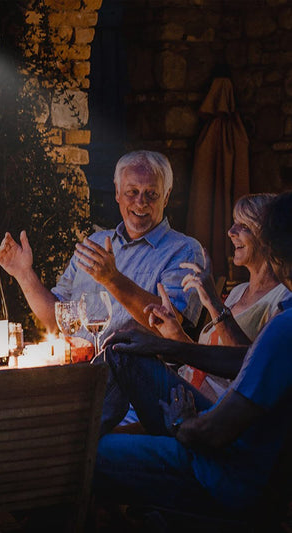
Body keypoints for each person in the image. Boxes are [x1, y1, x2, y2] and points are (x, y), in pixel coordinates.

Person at [93, 191, 292, 519]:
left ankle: (60, 452)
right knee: (123, 348)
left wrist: (181, 422)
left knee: (81, 455)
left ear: (274, 250)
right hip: (217, 438)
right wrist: (165, 345)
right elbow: (248, 360)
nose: (232, 233)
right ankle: (72, 439)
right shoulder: (277, 320)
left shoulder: (283, 325)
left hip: (221, 474)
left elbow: (211, 433)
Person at [0, 150, 204, 346]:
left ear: (166, 197)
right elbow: (55, 320)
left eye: (151, 194)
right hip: (79, 367)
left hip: (132, 375)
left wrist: (112, 279)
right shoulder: (95, 243)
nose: (141, 202)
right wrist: (23, 274)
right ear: (117, 192)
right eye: (132, 192)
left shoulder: (184, 250)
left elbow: (171, 328)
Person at [146, 193, 290, 401]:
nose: (231, 232)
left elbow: (255, 366)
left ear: (268, 238)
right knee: (123, 348)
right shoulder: (238, 291)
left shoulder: (282, 298)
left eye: (244, 227)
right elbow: (209, 360)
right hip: (185, 390)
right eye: (234, 224)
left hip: (216, 411)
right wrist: (176, 334)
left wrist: (213, 302)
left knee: (123, 356)